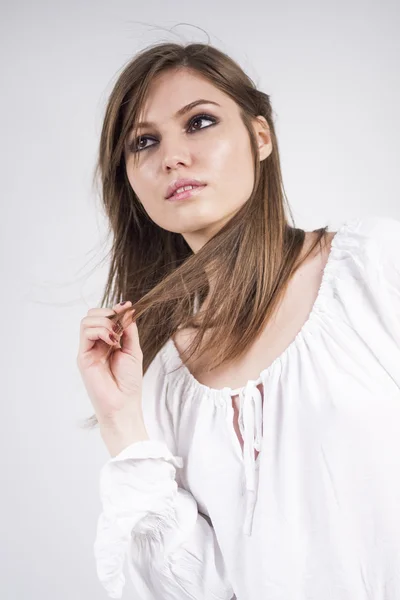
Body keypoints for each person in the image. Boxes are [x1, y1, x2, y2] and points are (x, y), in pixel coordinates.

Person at [76, 42, 400, 599]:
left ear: (261, 137)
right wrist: (122, 423)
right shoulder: (161, 378)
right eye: (144, 142)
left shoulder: (375, 264)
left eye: (199, 122)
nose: (172, 157)